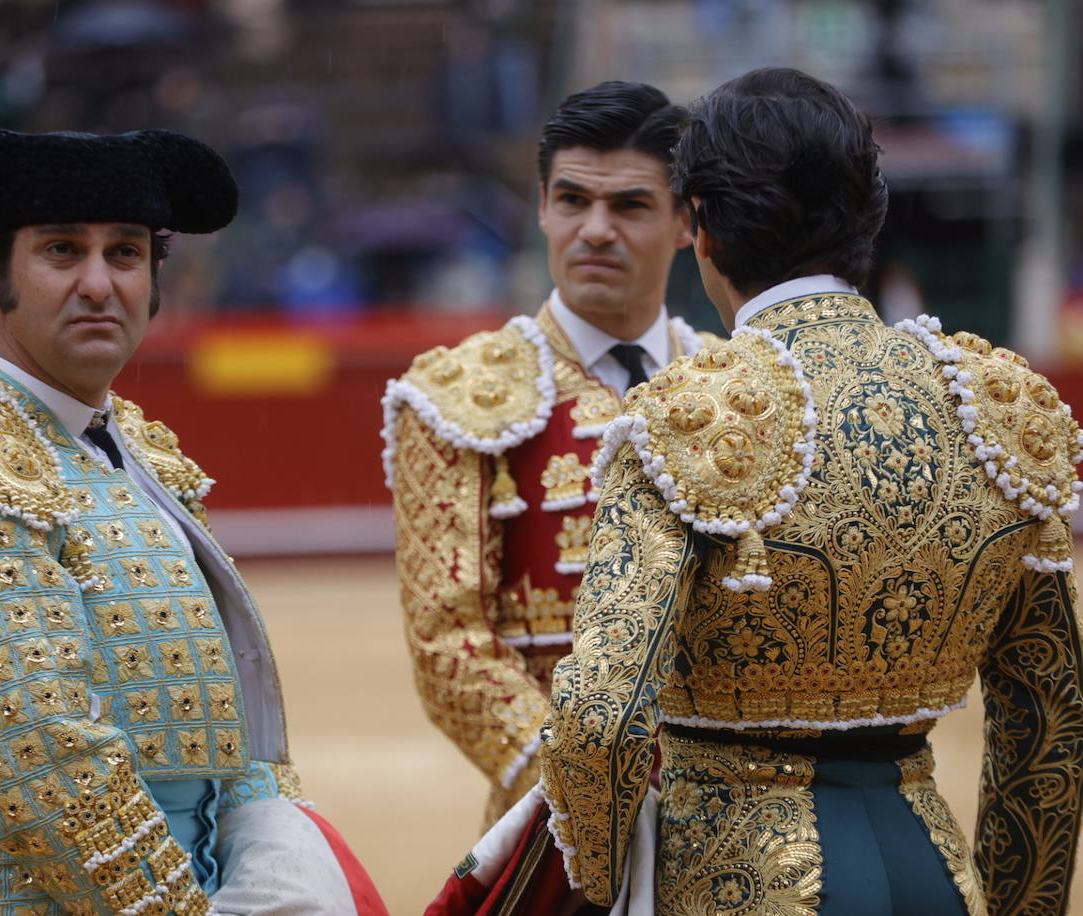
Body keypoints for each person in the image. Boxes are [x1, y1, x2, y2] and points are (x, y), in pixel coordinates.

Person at [0, 127, 386, 916]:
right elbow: (36, 768)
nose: (100, 284)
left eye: (126, 253)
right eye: (63, 251)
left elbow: (228, 722)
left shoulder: (131, 449)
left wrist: (273, 853)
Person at [541, 67, 1083, 915]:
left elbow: (599, 722)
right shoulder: (995, 404)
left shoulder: (689, 417)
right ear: (867, 218)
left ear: (702, 230)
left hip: (733, 877)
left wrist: (609, 887)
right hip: (934, 869)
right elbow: (1049, 715)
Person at [383, 80, 716, 831]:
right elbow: (450, 645)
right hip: (559, 821)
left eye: (629, 206)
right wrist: (596, 794)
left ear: (688, 223)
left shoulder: (737, 384)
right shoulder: (455, 394)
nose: (595, 230)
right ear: (540, 207)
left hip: (738, 814)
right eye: (572, 201)